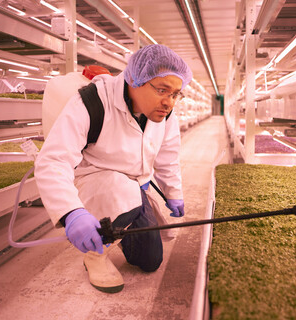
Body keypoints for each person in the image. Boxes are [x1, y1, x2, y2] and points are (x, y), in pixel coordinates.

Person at [34, 44, 193, 293]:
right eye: (162, 90)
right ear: (135, 79)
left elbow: (167, 155)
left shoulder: (164, 113)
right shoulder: (92, 101)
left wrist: (174, 193)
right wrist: (71, 212)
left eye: (175, 94)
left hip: (134, 189)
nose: (169, 101)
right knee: (122, 193)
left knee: (150, 260)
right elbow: (53, 160)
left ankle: (120, 223)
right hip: (95, 181)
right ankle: (95, 255)